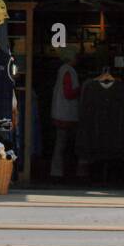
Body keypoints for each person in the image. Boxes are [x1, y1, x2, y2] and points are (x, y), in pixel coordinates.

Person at [49, 47, 82, 179]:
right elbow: (69, 93)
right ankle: (59, 171)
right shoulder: (69, 71)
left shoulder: (63, 70)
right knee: (63, 144)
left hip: (60, 112)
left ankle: (57, 171)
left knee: (60, 143)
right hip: (66, 114)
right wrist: (81, 89)